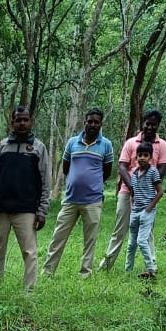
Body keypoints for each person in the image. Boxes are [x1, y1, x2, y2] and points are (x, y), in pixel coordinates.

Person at [0, 105, 51, 290]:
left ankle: (29, 291)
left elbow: (45, 181)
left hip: (26, 210)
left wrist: (42, 210)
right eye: (18, 120)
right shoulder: (2, 147)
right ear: (12, 122)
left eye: (25, 119)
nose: (22, 123)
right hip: (0, 209)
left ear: (31, 122)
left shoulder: (38, 148)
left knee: (30, 253)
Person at [41, 109, 113, 278]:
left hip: (93, 201)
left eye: (96, 122)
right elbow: (66, 167)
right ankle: (47, 272)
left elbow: (107, 171)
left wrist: (92, 184)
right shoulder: (72, 142)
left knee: (90, 240)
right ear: (85, 122)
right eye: (90, 121)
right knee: (58, 237)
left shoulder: (106, 145)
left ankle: (85, 273)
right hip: (71, 199)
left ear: (100, 125)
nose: (92, 125)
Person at [100, 110, 166, 271]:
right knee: (120, 229)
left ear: (158, 126)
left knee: (147, 231)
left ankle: (151, 268)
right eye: (148, 123)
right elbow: (123, 166)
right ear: (142, 123)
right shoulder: (131, 143)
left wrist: (146, 185)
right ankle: (106, 265)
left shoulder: (163, 145)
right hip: (127, 191)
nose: (150, 127)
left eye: (154, 124)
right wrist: (132, 186)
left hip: (148, 195)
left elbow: (162, 168)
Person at [125, 143, 163, 278]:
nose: (142, 158)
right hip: (135, 210)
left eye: (145, 155)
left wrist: (149, 208)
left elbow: (160, 192)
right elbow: (133, 192)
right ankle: (128, 270)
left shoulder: (153, 171)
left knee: (142, 241)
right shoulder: (134, 173)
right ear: (136, 157)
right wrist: (132, 206)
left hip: (147, 211)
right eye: (140, 155)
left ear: (150, 157)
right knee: (131, 243)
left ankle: (151, 269)